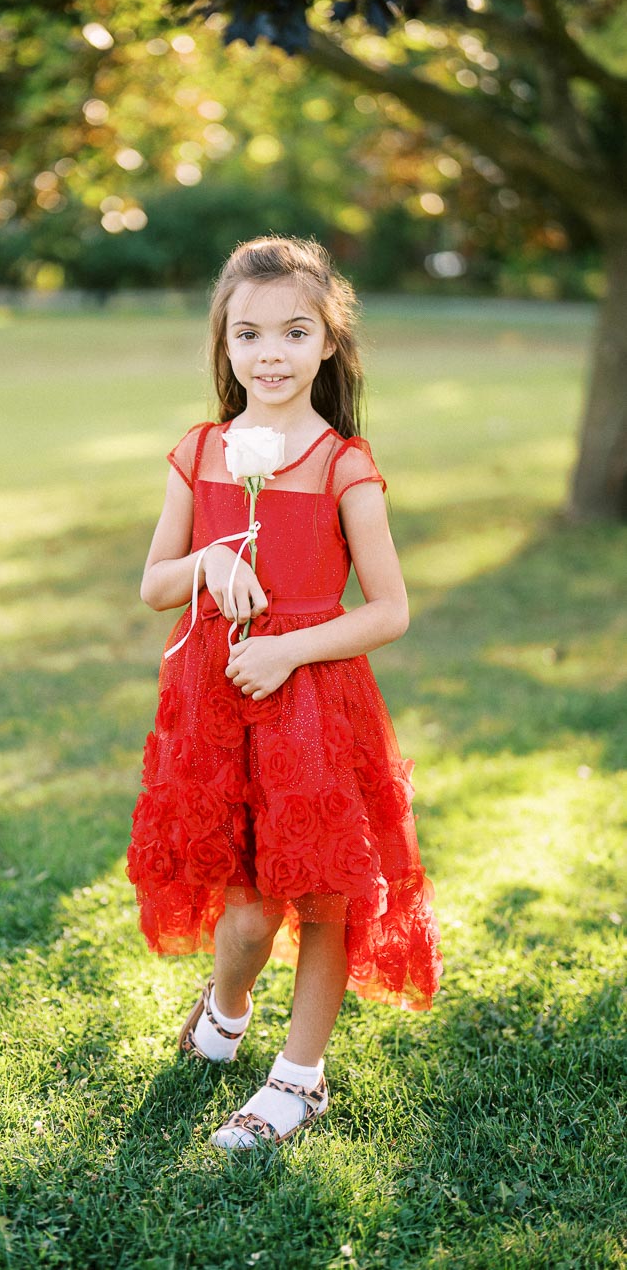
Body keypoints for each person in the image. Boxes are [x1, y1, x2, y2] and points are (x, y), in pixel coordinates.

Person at [126, 235, 443, 1151]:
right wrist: (211, 558)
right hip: (216, 697)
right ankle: (226, 1009)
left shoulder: (345, 466)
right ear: (224, 347)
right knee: (248, 905)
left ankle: (298, 1080)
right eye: (248, 334)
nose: (270, 353)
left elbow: (389, 610)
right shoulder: (200, 452)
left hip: (313, 699)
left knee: (326, 893)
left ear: (329, 344)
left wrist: (289, 651)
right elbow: (154, 585)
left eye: (294, 332)